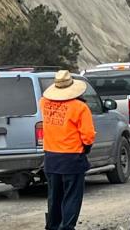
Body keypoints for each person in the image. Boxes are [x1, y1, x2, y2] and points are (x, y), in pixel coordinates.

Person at [41, 70, 96, 230]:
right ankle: (67, 227)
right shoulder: (80, 107)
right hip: (72, 157)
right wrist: (86, 148)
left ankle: (52, 226)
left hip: (51, 158)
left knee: (54, 197)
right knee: (72, 196)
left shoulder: (44, 102)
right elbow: (88, 136)